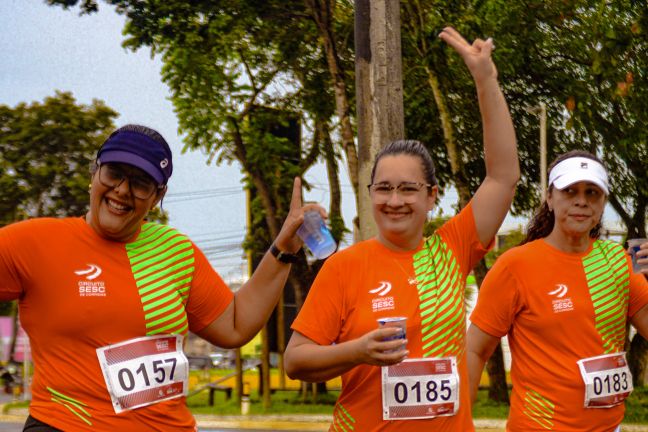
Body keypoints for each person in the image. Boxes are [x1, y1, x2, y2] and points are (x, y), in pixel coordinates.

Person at [0, 124, 320, 431]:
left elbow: (235, 324)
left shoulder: (174, 250)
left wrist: (284, 248)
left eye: (141, 183)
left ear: (157, 196)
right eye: (114, 173)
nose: (122, 190)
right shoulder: (35, 242)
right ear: (94, 173)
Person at [284, 26, 519, 431]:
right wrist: (357, 351)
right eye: (385, 189)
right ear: (371, 193)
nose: (395, 201)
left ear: (432, 196)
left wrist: (485, 79)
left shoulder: (452, 249)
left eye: (409, 189)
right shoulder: (345, 267)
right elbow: (295, 360)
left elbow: (503, 176)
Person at [467, 150, 648, 431]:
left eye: (592, 193)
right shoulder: (515, 265)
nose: (581, 201)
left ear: (603, 203)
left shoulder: (620, 262)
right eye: (570, 191)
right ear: (550, 198)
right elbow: (475, 350)